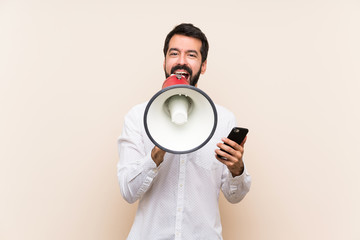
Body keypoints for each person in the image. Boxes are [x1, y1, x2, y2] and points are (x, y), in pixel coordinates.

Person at [117, 23, 251, 240]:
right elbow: (128, 192)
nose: (181, 61)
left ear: (203, 65)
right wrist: (156, 152)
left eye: (191, 55)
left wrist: (237, 169)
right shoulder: (137, 117)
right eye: (174, 53)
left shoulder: (224, 119)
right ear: (164, 61)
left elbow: (234, 196)